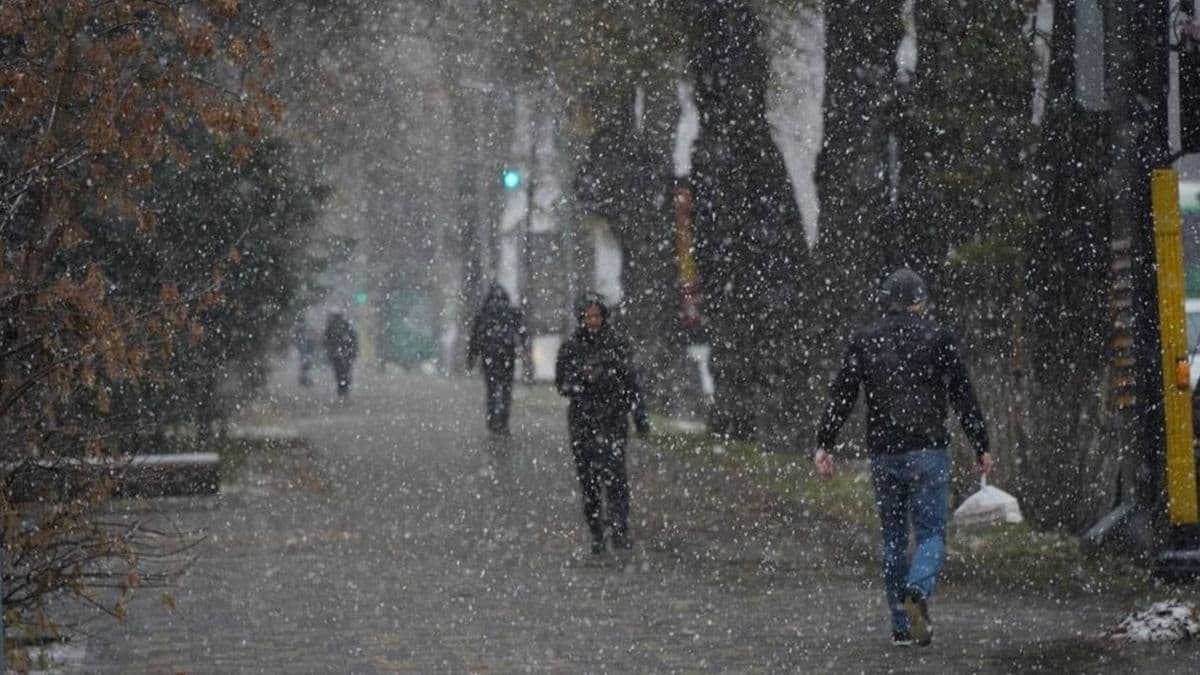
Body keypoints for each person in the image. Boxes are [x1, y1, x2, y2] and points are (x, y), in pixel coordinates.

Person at [813, 269, 992, 648]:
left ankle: (900, 625)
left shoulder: (865, 341)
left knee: (894, 539)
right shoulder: (938, 338)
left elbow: (842, 394)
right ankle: (917, 588)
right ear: (919, 302)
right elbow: (963, 394)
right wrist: (981, 444)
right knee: (930, 534)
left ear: (886, 303)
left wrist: (824, 443)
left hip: (884, 454)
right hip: (928, 450)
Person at [555, 292, 650, 554]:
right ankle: (597, 531)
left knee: (616, 477)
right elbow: (562, 383)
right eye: (588, 317)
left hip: (612, 420)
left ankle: (620, 529)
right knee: (589, 481)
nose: (593, 321)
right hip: (583, 422)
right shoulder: (572, 347)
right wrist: (582, 380)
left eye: (597, 316)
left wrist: (639, 417)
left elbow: (631, 383)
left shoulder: (617, 344)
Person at [466, 283, 529, 434]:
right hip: (507, 354)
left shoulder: (484, 313)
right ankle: (503, 422)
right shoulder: (511, 311)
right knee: (506, 389)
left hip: (490, 354)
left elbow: (476, 336)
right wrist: (524, 348)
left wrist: (472, 358)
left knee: (492, 389)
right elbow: (522, 331)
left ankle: (492, 420)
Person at [324, 312, 359, 398]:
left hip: (339, 354)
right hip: (344, 354)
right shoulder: (344, 326)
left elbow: (325, 341)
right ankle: (344, 388)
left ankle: (342, 388)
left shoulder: (332, 327)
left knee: (340, 372)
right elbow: (354, 339)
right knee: (344, 371)